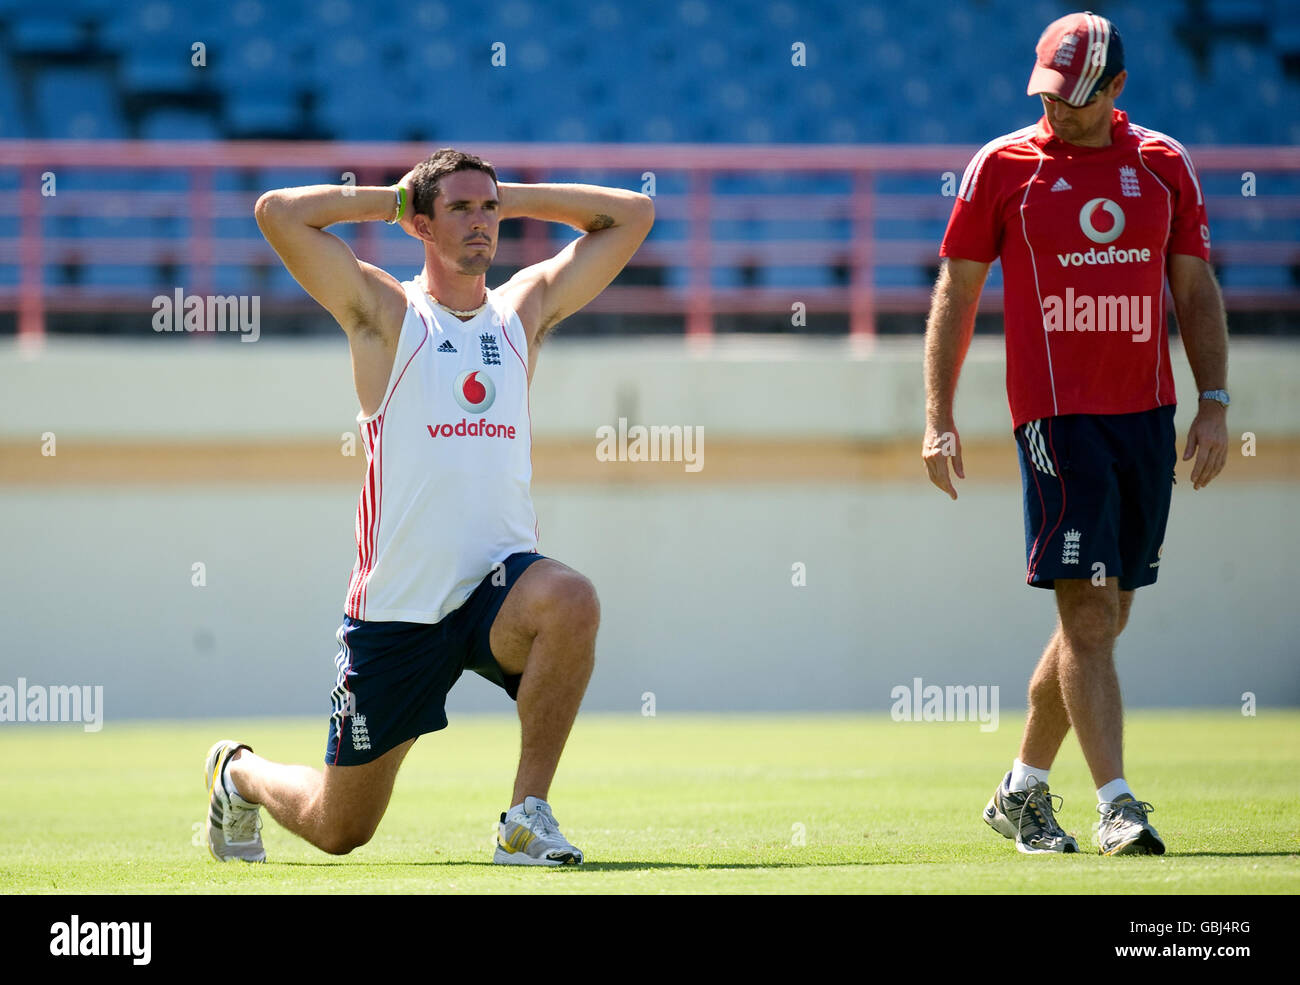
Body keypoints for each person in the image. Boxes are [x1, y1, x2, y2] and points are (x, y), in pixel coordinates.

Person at [204, 148, 653, 865]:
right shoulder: (388, 314)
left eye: (488, 210)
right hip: (398, 612)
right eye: (460, 209)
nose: (480, 223)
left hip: (495, 588)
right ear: (422, 223)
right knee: (338, 827)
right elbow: (277, 215)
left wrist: (514, 195)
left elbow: (633, 216)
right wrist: (394, 199)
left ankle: (525, 819)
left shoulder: (521, 312)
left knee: (571, 598)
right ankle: (237, 773)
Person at [922, 12, 1229, 855]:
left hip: (1145, 420)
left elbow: (1195, 293)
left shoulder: (1164, 165)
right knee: (1089, 617)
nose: (1057, 110)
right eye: (1047, 94)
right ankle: (1119, 805)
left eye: (1077, 96)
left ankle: (1021, 787)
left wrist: (1215, 399)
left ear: (1118, 88)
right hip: (1055, 422)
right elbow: (956, 291)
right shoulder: (1003, 166)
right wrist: (938, 415)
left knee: (1102, 615)